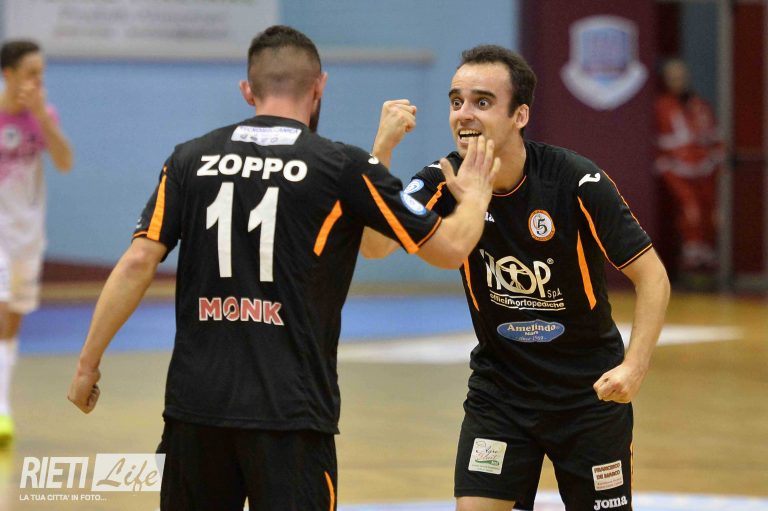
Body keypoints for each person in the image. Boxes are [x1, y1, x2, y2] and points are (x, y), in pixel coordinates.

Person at [67, 25, 499, 510]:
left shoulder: (189, 159)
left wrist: (87, 365)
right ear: (320, 86)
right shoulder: (340, 166)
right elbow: (450, 249)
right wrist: (476, 193)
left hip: (195, 411)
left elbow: (137, 262)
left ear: (247, 90)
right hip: (291, 415)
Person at [361, 45, 670, 511]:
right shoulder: (441, 180)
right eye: (456, 101)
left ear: (519, 115)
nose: (464, 114)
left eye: (482, 102)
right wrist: (381, 151)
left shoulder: (575, 181)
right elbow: (375, 246)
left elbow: (653, 278)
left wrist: (635, 366)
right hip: (501, 395)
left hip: (587, 396)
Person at [0, 39, 74, 446]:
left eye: (41, 75)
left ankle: (2, 402)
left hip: (28, 235)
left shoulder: (43, 116)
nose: (37, 82)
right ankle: (2, 410)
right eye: (30, 74)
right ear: (8, 74)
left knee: (11, 324)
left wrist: (42, 118)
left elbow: (64, 161)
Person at [655, 58, 724, 282]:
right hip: (677, 170)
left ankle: (706, 262)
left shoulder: (699, 106)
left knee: (710, 215)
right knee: (690, 212)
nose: (679, 81)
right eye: (673, 77)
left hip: (704, 170)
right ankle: (692, 265)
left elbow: (714, 137)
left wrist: (716, 158)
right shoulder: (661, 107)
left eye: (681, 76)